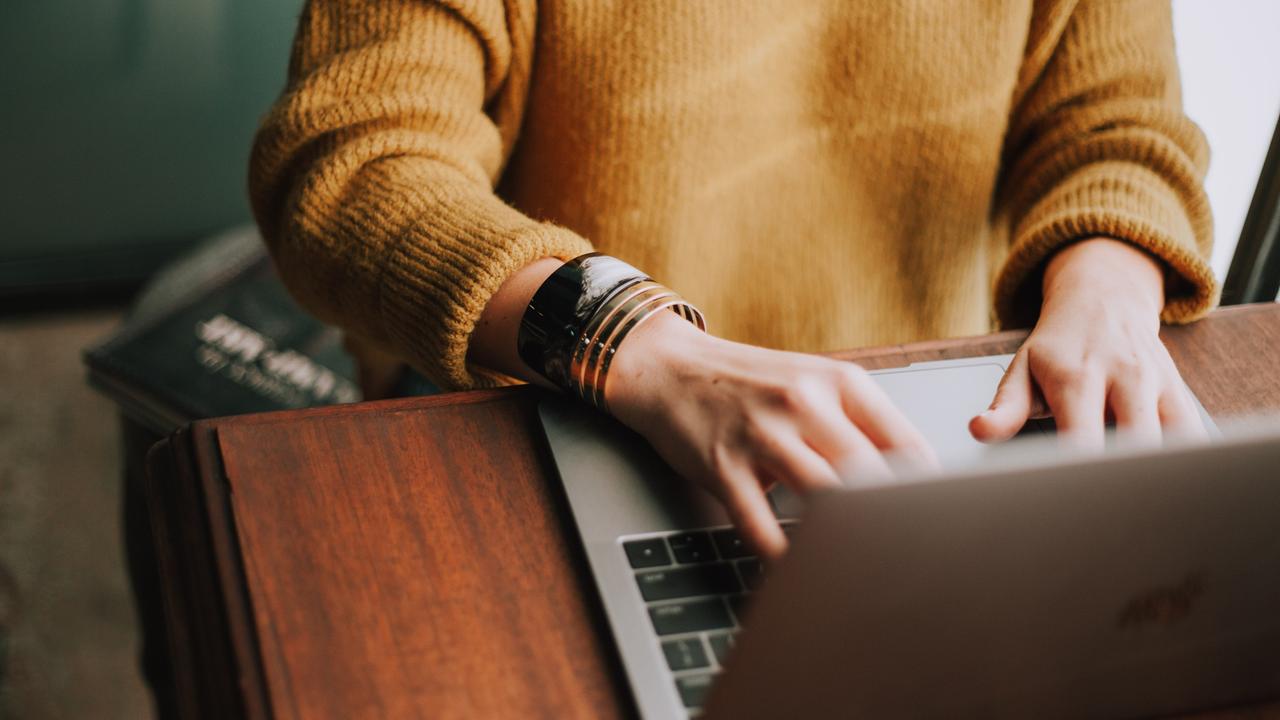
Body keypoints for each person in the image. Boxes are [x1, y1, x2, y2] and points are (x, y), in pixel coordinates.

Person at [249, 0, 1216, 558]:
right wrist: (638, 344)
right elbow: (352, 164)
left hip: (921, 436)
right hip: (555, 414)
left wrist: (1109, 289)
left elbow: (1117, 125)